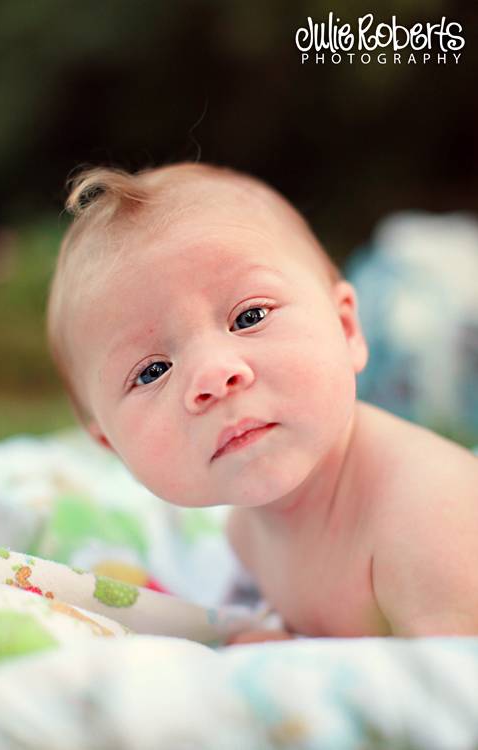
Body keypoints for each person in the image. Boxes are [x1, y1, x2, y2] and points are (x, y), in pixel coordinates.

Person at [47, 162, 478, 642]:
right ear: (111, 445)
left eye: (249, 316)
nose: (213, 374)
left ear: (348, 329)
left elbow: (453, 698)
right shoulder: (246, 536)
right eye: (152, 371)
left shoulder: (427, 517)